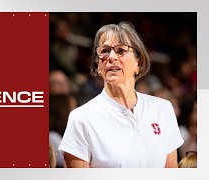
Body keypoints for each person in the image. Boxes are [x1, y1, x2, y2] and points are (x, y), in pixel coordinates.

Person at [58, 21, 184, 168]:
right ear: (98, 66)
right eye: (104, 50)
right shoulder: (81, 118)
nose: (111, 57)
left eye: (121, 50)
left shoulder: (163, 109)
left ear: (139, 63)